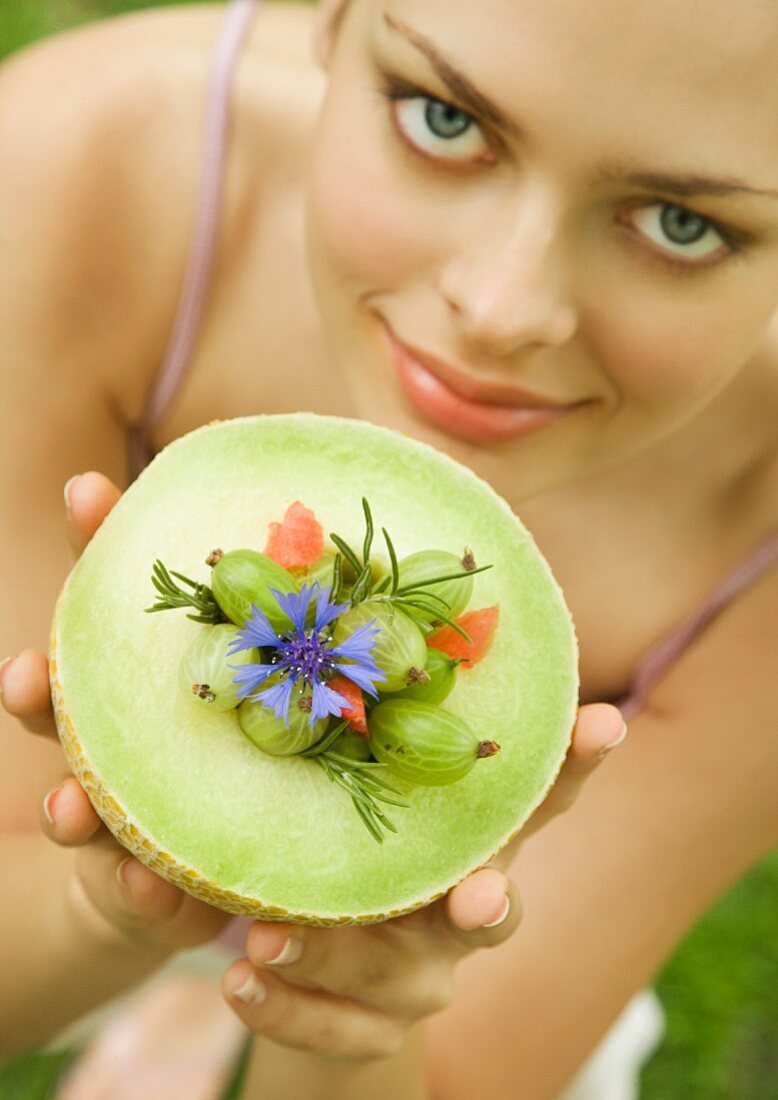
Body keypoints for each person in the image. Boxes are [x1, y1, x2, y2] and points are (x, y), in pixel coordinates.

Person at [0, 0, 776, 1096]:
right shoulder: (73, 172)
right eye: (442, 117)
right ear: (330, 14)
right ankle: (175, 992)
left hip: (453, 964)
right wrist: (105, 907)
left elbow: (458, 1072)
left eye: (682, 222)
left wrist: (346, 1011)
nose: (500, 307)